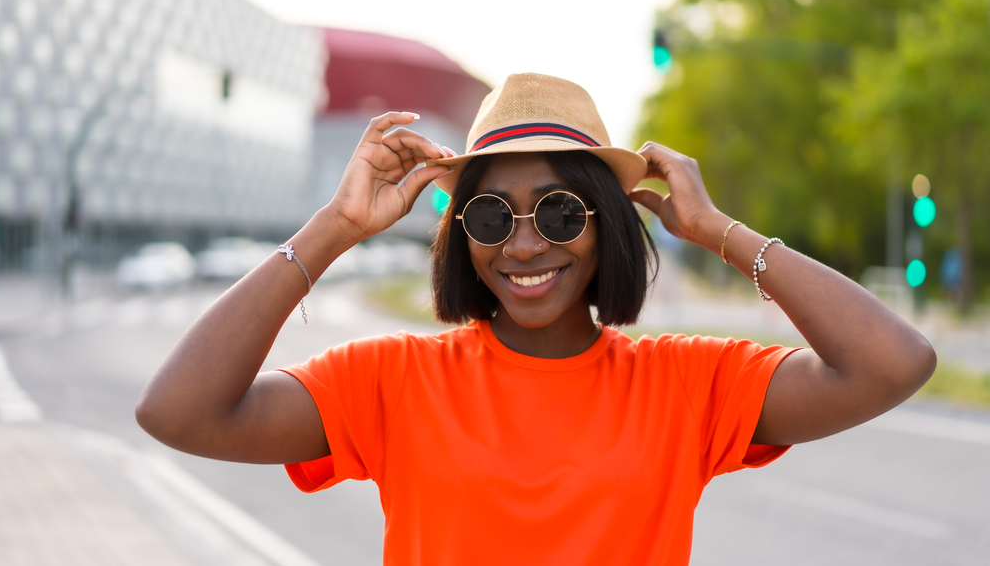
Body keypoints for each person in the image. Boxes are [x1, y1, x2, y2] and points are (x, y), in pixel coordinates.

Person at [136, 73, 936, 565]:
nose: (523, 244)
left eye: (559, 211)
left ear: (607, 224)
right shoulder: (392, 379)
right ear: (463, 237)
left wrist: (719, 232)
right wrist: (338, 225)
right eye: (490, 215)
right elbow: (177, 411)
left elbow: (893, 363)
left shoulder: (688, 382)